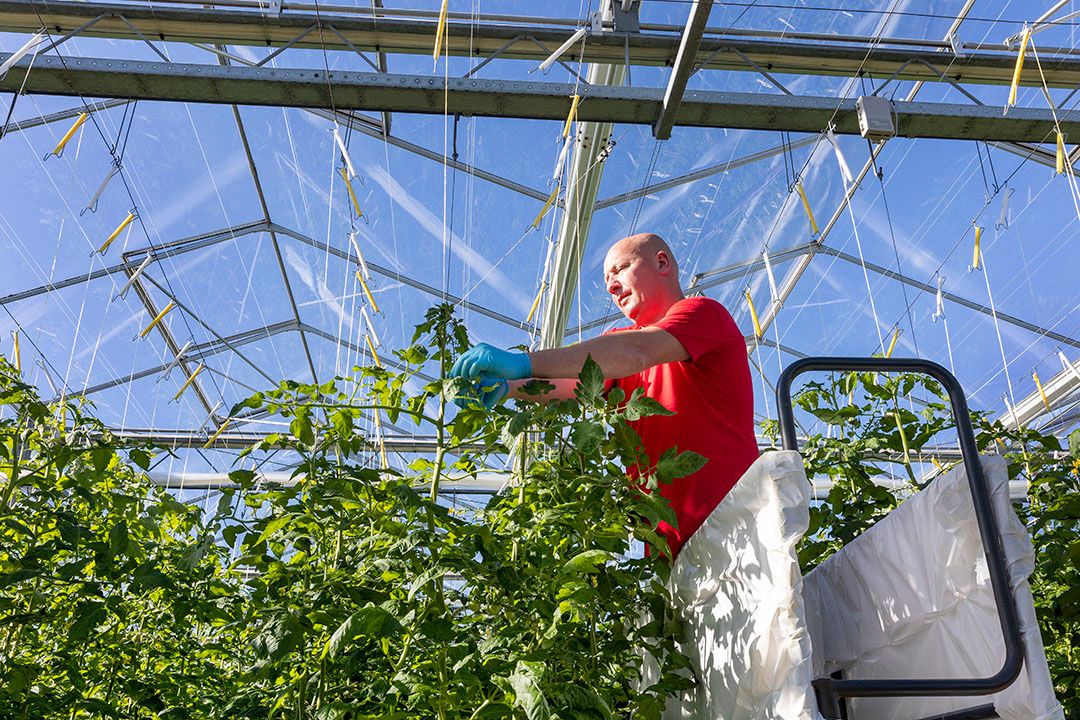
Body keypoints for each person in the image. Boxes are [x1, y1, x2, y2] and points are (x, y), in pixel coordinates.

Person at [450, 233, 758, 558]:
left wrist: (524, 362)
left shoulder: (702, 314)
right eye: (607, 280)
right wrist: (507, 387)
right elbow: (569, 385)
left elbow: (638, 350)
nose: (611, 287)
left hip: (736, 525)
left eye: (621, 269)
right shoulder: (617, 350)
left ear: (662, 262)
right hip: (670, 550)